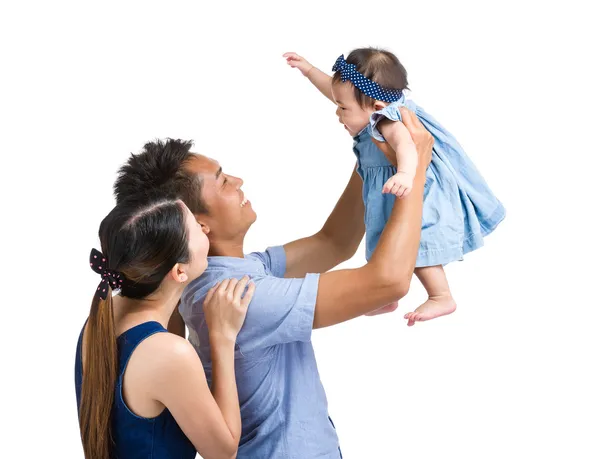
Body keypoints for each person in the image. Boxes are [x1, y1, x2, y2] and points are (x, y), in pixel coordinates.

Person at [113, 110, 432, 458]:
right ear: (198, 224)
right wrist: (413, 168)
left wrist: (369, 156)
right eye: (222, 181)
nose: (238, 181)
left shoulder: (240, 270)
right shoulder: (237, 295)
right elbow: (388, 282)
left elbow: (334, 242)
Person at [285, 48, 506, 325]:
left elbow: (406, 146)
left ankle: (441, 295)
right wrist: (308, 70)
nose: (337, 113)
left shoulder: (387, 119)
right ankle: (384, 295)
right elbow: (334, 90)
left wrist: (404, 174)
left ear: (376, 107)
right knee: (384, 243)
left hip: (415, 189)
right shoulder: (370, 104)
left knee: (416, 245)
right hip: (387, 193)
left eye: (343, 108)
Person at [75, 196, 255, 459]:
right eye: (196, 226)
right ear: (180, 272)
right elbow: (224, 451)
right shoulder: (170, 354)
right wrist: (222, 336)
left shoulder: (101, 315)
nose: (205, 228)